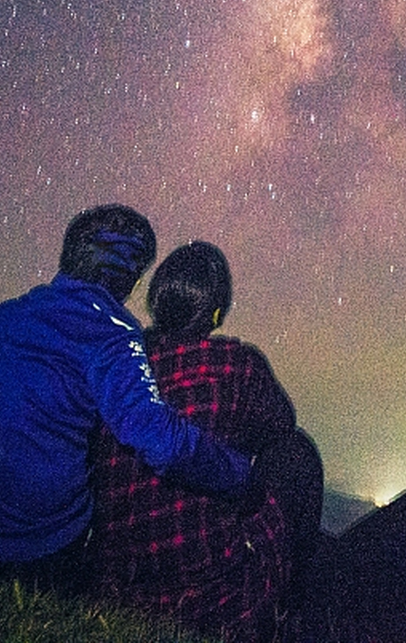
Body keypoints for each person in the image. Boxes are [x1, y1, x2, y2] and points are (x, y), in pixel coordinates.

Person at [0, 205, 254, 594]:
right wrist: (239, 477)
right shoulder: (112, 334)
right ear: (131, 276)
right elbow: (158, 438)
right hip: (25, 557)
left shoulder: (8, 314)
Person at [89, 241, 325, 643]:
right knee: (296, 453)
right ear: (216, 310)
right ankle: (291, 605)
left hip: (118, 585)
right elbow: (281, 425)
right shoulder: (237, 364)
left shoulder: (121, 362)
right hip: (215, 600)